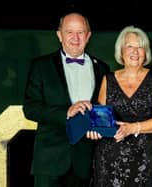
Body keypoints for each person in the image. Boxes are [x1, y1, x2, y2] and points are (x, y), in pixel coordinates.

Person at [22, 12, 110, 187]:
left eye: (80, 32)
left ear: (88, 35)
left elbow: (103, 109)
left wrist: (100, 126)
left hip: (86, 162)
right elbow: (31, 108)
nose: (75, 38)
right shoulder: (40, 66)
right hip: (49, 161)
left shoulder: (102, 68)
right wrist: (66, 112)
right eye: (69, 32)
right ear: (59, 35)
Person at [87, 25, 152, 186]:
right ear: (121, 51)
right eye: (130, 46)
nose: (135, 51)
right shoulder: (107, 79)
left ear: (146, 52)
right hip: (109, 159)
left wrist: (131, 128)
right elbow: (99, 120)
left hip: (147, 159)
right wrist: (93, 129)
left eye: (140, 47)